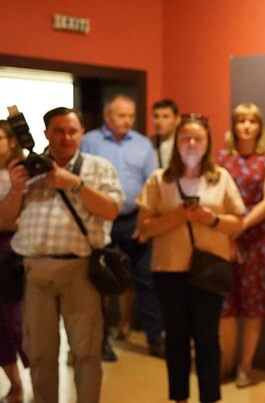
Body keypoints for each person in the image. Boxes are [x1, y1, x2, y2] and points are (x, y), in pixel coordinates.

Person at [8, 107, 124, 403]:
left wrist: (75, 184)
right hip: (34, 271)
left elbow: (112, 210)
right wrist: (16, 189)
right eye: (58, 131)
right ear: (46, 133)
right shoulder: (28, 168)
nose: (66, 137)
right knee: (40, 353)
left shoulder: (98, 167)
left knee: (86, 352)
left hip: (80, 270)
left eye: (72, 131)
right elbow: (5, 220)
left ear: (82, 133)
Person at [136, 114, 245, 403]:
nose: (192, 143)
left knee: (207, 337)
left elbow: (238, 223)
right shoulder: (160, 180)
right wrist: (177, 216)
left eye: (198, 138)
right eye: (186, 138)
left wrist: (211, 219)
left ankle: (210, 397)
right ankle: (179, 398)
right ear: (177, 142)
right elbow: (143, 228)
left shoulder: (220, 178)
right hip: (168, 270)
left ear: (208, 143)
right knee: (176, 337)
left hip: (209, 269)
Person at [81, 93, 164, 360]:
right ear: (107, 116)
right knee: (100, 282)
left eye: (131, 116)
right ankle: (101, 340)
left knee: (145, 280)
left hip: (133, 220)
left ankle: (155, 339)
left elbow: (153, 184)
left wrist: (145, 222)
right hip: (100, 220)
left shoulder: (142, 144)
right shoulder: (89, 141)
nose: (127, 121)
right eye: (121, 115)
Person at [218, 103, 265, 388]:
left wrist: (240, 226)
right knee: (226, 305)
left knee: (253, 306)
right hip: (224, 238)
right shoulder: (222, 158)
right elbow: (215, 195)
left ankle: (245, 366)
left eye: (252, 121)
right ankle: (226, 364)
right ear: (233, 125)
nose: (246, 126)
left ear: (259, 126)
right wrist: (228, 233)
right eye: (241, 120)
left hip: (256, 239)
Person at [0, 120, 28, 403]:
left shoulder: (23, 171)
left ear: (10, 141)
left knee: (16, 321)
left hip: (13, 249)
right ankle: (14, 382)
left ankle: (38, 375)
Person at [152, 99, 180, 169]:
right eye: (156, 116)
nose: (159, 122)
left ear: (177, 120)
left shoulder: (182, 145)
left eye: (165, 117)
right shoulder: (148, 144)